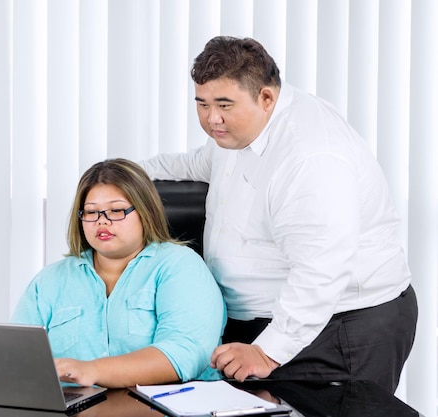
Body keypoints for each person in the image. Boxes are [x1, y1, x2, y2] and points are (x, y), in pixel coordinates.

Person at [139, 36, 417, 394]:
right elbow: (196, 163)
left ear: (266, 98)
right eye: (202, 104)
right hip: (272, 321)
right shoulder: (239, 128)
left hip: (339, 326)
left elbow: (321, 271)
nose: (212, 119)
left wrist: (269, 351)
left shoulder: (309, 157)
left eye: (223, 104)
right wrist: (122, 172)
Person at [11, 158, 226, 388]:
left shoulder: (180, 266)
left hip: (159, 408)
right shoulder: (49, 281)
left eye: (116, 210)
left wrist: (92, 370)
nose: (102, 222)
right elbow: (15, 357)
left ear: (145, 211)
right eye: (91, 212)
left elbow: (185, 353)